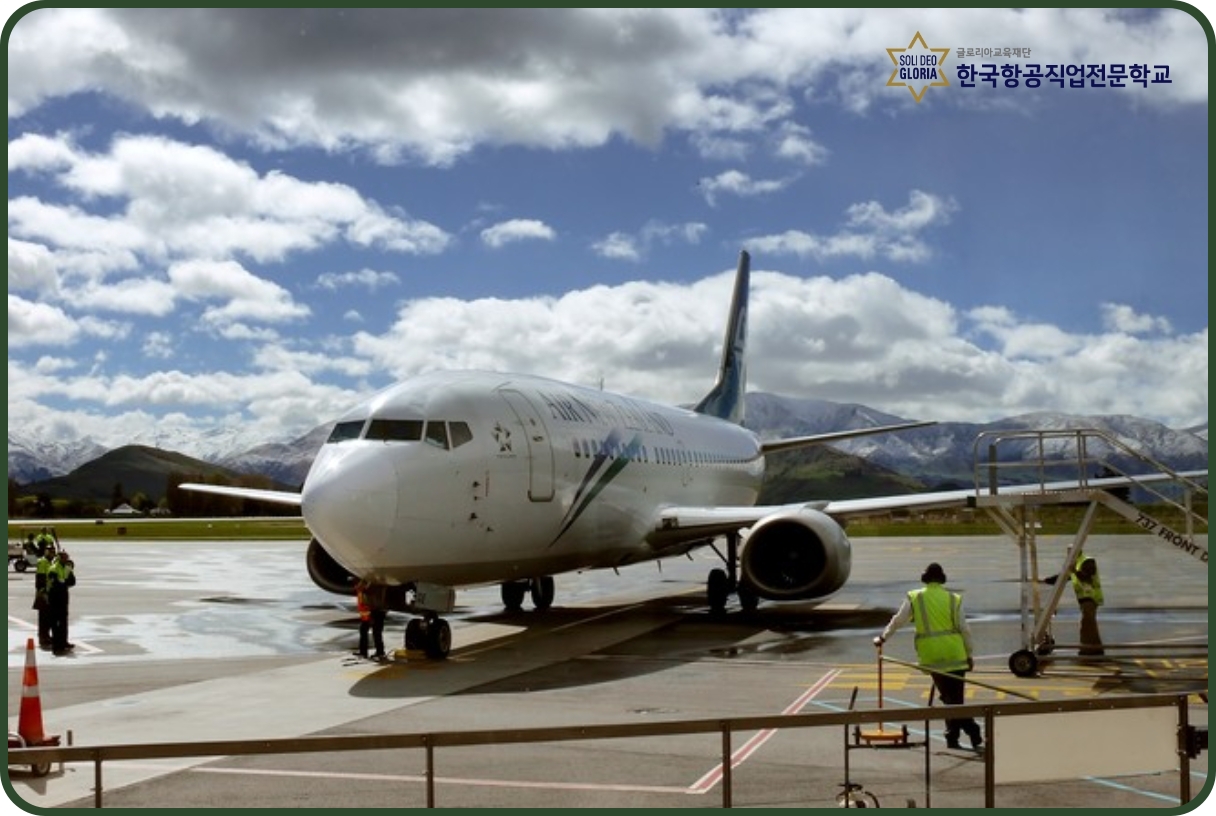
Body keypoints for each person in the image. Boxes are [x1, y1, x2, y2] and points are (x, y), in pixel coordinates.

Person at [874, 562, 983, 751]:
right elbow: (964, 629)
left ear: (924, 578)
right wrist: (969, 653)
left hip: (932, 656)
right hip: (955, 653)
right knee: (955, 699)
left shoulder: (915, 597)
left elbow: (898, 620)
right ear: (942, 579)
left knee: (949, 699)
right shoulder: (953, 598)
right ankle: (966, 732)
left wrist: (883, 637)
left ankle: (958, 735)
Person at [1045, 552, 1104, 656]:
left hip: (1090, 598)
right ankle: (1093, 649)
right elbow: (1063, 577)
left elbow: (1087, 578)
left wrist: (1074, 571)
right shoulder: (1076, 564)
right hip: (1085, 599)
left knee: (1087, 625)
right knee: (1088, 624)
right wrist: (1046, 581)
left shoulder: (1087, 561)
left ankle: (1089, 650)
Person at [47, 548, 76, 655]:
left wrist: (63, 582)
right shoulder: (53, 568)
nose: (66, 560)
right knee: (55, 622)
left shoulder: (67, 568)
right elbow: (54, 584)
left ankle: (63, 643)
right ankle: (56, 646)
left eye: (67, 558)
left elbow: (72, 581)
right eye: (64, 558)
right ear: (60, 558)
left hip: (63, 596)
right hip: (54, 597)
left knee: (63, 621)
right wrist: (64, 583)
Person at [355, 579, 387, 661]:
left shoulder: (371, 587)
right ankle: (367, 652)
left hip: (373, 613)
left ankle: (379, 652)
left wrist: (370, 615)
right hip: (370, 613)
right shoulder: (364, 589)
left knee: (376, 632)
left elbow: (371, 600)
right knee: (371, 632)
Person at [33, 539, 56, 649]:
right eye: (50, 552)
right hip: (44, 593)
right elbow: (40, 579)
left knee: (48, 617)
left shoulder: (50, 562)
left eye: (53, 552)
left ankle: (46, 635)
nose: (52, 554)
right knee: (44, 617)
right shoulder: (43, 562)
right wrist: (43, 592)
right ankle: (43, 637)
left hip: (49, 592)